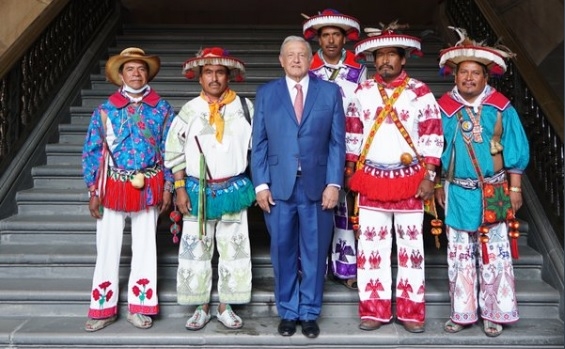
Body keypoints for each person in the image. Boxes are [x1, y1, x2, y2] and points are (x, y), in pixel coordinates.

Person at [345, 23, 443, 333]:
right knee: (372, 248)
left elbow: (431, 134)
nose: (385, 60)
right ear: (373, 60)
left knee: (411, 250)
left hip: (411, 180)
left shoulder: (420, 92)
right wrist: (350, 170)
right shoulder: (361, 92)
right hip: (372, 177)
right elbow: (352, 133)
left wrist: (429, 175)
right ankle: (374, 311)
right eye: (380, 55)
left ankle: (412, 313)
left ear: (403, 59)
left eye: (391, 55)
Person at [435, 27, 529, 338]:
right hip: (458, 190)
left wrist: (515, 189)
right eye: (464, 73)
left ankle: (495, 313)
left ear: (486, 77)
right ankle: (462, 313)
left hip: (495, 189)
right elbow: (434, 150)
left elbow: (515, 150)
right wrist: (437, 185)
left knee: (495, 254)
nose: (470, 78)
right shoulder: (443, 109)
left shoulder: (501, 108)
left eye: (476, 73)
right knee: (459, 254)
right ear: (455, 75)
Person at [251, 36, 345, 339]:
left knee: (315, 252)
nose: (295, 60)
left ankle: (309, 312)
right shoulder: (267, 93)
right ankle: (288, 311)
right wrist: (260, 184)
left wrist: (334, 183)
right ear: (281, 60)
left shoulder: (330, 93)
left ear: (310, 59)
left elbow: (336, 143)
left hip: (318, 187)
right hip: (278, 187)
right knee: (282, 251)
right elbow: (260, 142)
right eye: (290, 55)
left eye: (301, 55)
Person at [82, 47, 175, 331]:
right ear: (120, 74)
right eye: (130, 69)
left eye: (141, 68)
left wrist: (169, 186)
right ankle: (102, 308)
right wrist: (93, 191)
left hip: (149, 184)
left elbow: (171, 150)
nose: (136, 74)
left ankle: (141, 306)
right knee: (107, 247)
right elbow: (92, 151)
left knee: (146, 247)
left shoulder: (162, 109)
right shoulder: (105, 110)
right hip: (112, 185)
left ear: (148, 73)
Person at [164, 47, 255, 331]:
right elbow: (174, 151)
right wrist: (179, 189)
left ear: (229, 76)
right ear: (199, 77)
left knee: (234, 250)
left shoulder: (245, 108)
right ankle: (200, 306)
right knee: (196, 250)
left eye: (219, 72)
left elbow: (258, 147)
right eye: (208, 73)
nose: (214, 78)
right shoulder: (189, 110)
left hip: (233, 189)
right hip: (197, 190)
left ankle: (227, 305)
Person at [302, 8, 366, 290]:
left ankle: (346, 268)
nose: (330, 41)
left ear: (345, 39)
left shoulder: (359, 70)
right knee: (316, 208)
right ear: (318, 39)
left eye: (335, 35)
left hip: (350, 147)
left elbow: (364, 111)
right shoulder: (308, 70)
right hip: (316, 149)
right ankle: (315, 267)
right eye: (325, 35)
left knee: (346, 210)